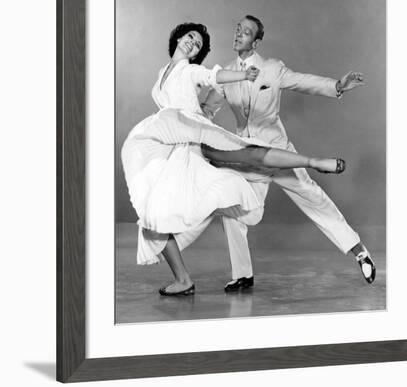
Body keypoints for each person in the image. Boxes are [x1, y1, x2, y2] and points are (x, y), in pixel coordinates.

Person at [121, 22, 345, 296]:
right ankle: (183, 280)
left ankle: (313, 162)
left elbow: (214, 76)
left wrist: (241, 77)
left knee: (246, 150)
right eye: (190, 37)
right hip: (172, 144)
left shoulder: (191, 70)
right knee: (152, 218)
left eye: (199, 44)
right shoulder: (161, 74)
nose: (193, 43)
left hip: (193, 136)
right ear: (179, 37)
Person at [201, 15, 376, 292]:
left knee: (315, 199)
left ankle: (360, 253)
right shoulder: (227, 74)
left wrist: (337, 86)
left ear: (256, 42)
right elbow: (207, 110)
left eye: (245, 32)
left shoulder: (272, 69)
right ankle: (243, 274)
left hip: (280, 154)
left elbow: (303, 82)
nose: (238, 35)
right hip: (247, 158)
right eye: (238, 30)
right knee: (232, 208)